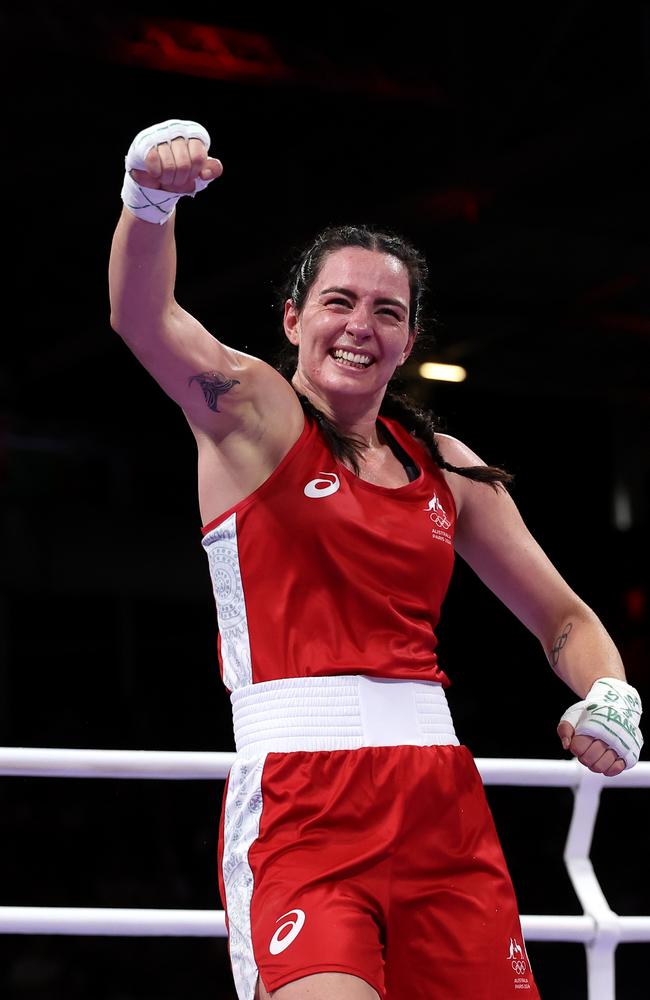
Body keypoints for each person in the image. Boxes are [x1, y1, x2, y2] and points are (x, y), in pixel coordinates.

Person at [109, 120, 643, 1000]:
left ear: (409, 339)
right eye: (338, 302)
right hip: (301, 804)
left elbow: (568, 620)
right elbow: (144, 317)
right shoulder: (252, 419)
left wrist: (611, 693)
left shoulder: (449, 466)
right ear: (293, 318)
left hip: (440, 808)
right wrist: (150, 201)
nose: (360, 326)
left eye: (386, 311)